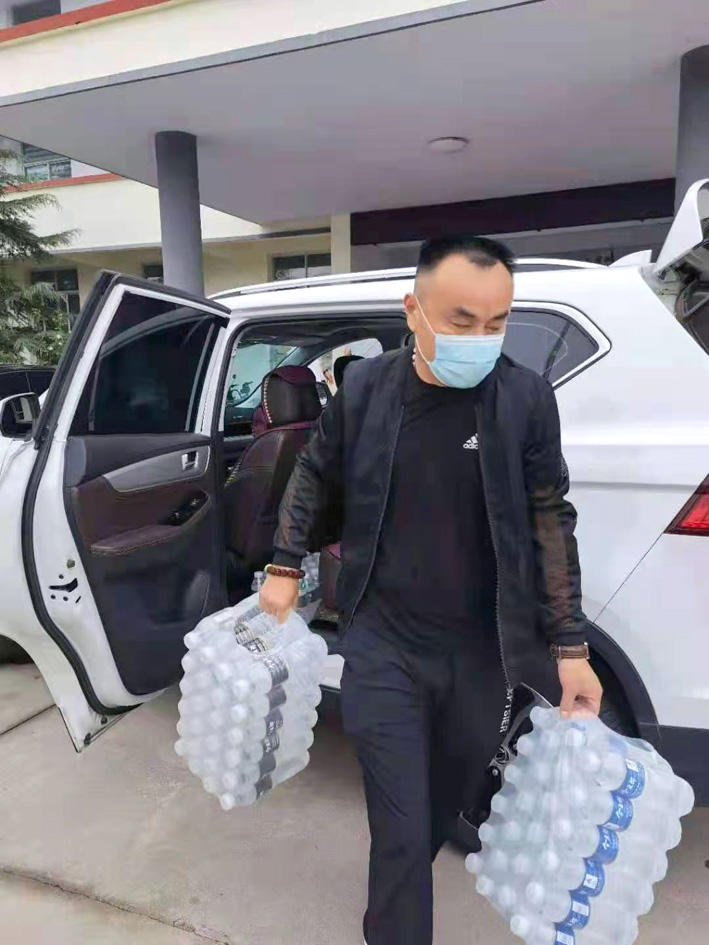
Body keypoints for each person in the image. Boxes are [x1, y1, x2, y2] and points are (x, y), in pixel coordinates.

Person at [259, 235, 603, 945]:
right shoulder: (365, 389)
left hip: (481, 653)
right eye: (460, 321)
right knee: (399, 825)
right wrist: (285, 565)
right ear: (412, 310)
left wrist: (569, 647)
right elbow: (315, 471)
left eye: (496, 322)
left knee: (443, 810)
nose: (480, 339)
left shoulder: (524, 399)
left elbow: (549, 517)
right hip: (384, 645)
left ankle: (395, 895)